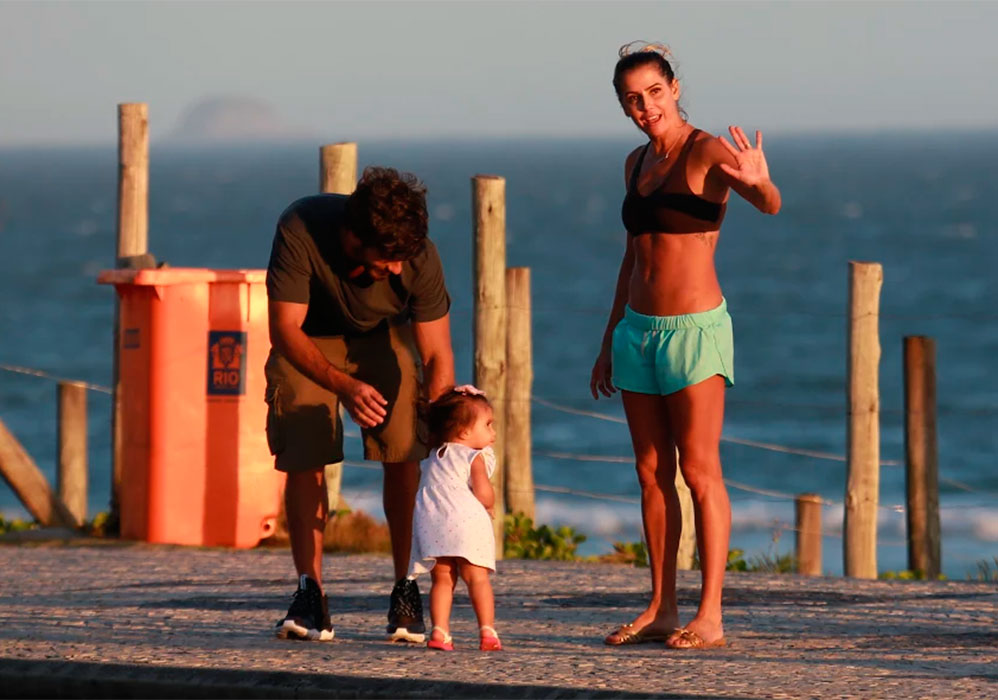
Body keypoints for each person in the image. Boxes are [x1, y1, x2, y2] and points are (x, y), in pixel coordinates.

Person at [590, 42, 781, 650]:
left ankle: (712, 615)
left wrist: (760, 182)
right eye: (631, 99)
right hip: (637, 334)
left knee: (699, 471)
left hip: (695, 332)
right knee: (651, 473)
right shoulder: (633, 163)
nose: (645, 106)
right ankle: (662, 607)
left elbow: (767, 204)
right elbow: (631, 258)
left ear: (674, 86)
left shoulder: (705, 151)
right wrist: (608, 337)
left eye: (653, 91)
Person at [266, 166, 455, 643]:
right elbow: (284, 329)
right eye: (387, 258)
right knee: (304, 450)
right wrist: (344, 387)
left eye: (402, 258)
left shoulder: (417, 256)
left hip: (382, 337)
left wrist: (441, 426)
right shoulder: (300, 227)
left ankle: (405, 588)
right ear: (354, 237)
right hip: (309, 339)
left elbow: (436, 354)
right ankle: (310, 593)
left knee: (404, 448)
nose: (395, 268)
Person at [407, 385, 502, 652]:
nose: (493, 432)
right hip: (466, 525)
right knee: (477, 579)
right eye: (488, 425)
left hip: (434, 523)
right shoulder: (474, 456)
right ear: (465, 432)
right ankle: (487, 632)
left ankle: (440, 632)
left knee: (442, 580)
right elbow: (482, 491)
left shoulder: (430, 459)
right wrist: (490, 506)